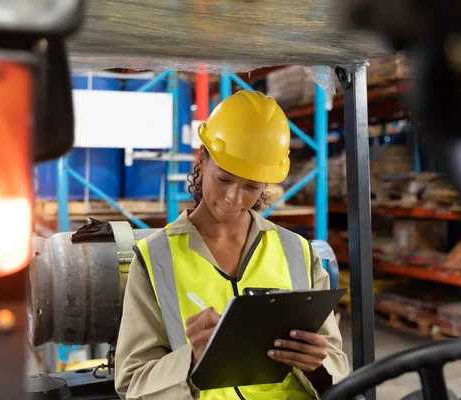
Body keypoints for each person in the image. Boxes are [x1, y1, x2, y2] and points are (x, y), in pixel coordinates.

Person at [114, 90, 350, 400]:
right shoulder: (154, 260)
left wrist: (316, 365)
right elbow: (133, 383)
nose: (233, 198)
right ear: (203, 160)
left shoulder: (299, 253)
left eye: (251, 186)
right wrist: (193, 360)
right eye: (224, 179)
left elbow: (338, 367)